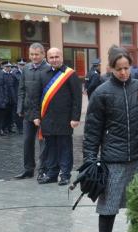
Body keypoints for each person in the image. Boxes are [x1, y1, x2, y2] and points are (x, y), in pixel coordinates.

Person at [83, 46, 138, 232]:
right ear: (111, 68)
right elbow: (92, 131)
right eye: (119, 69)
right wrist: (90, 160)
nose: (124, 73)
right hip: (113, 159)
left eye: (126, 68)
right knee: (108, 205)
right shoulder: (102, 92)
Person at [35, 48, 82, 186]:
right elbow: (38, 98)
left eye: (57, 56)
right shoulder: (43, 74)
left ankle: (65, 175)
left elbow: (77, 98)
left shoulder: (70, 74)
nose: (54, 59)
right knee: (50, 148)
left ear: (61, 57)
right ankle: (52, 174)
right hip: (48, 119)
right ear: (47, 59)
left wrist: (75, 117)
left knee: (65, 147)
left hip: (65, 119)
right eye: (51, 57)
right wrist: (37, 116)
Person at [15, 43, 50, 181]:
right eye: (31, 54)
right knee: (27, 141)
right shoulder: (26, 69)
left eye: (36, 54)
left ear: (43, 54)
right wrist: (20, 108)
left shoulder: (48, 69)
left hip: (43, 113)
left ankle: (43, 169)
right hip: (28, 113)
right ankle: (28, 169)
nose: (34, 57)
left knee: (43, 142)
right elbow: (21, 90)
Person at [13, 58, 27, 134]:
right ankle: (20, 128)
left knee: (25, 112)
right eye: (20, 64)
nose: (22, 66)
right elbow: (12, 86)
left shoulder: (28, 72)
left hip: (26, 95)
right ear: (17, 65)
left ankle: (24, 127)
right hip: (17, 95)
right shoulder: (14, 73)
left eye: (23, 64)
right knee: (18, 112)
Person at [2, 61, 16, 134]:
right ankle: (4, 128)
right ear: (3, 67)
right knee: (4, 115)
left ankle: (10, 127)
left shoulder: (12, 75)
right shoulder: (2, 74)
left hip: (12, 97)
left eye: (10, 67)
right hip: (5, 97)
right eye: (7, 67)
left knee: (11, 114)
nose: (9, 68)